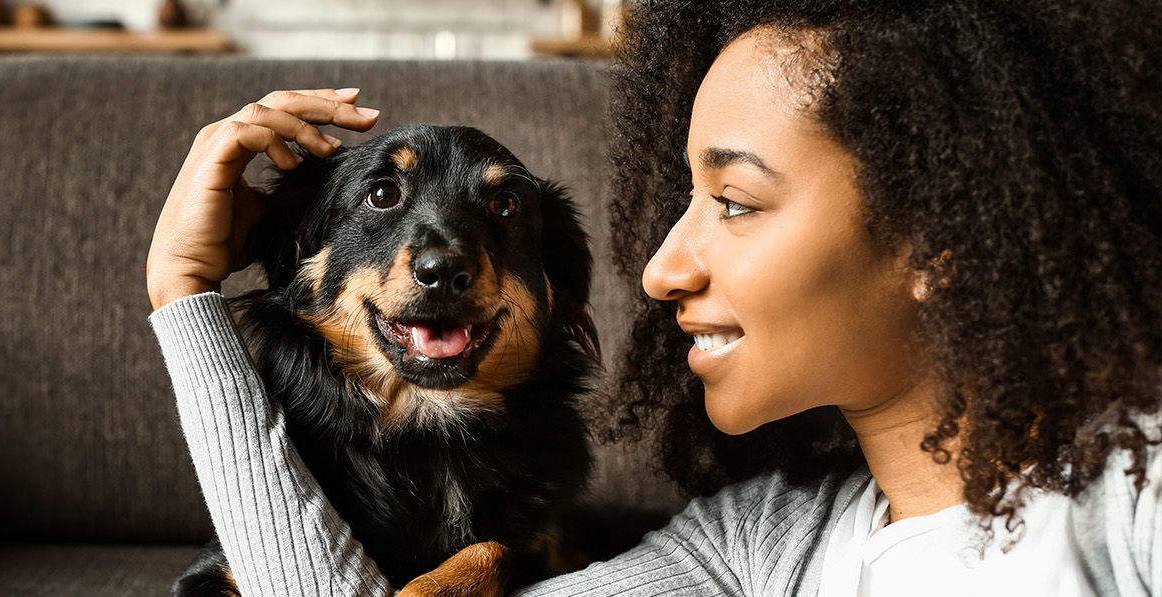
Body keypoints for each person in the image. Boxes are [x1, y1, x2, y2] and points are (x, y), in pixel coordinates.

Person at [147, 0, 1162, 594]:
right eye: (683, 200)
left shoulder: (1135, 495)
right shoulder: (747, 548)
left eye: (734, 202)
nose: (660, 270)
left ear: (940, 233)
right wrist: (184, 298)